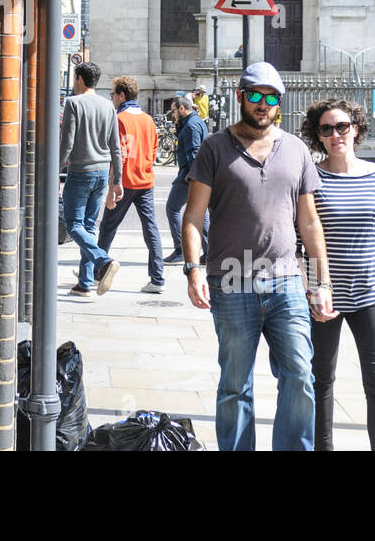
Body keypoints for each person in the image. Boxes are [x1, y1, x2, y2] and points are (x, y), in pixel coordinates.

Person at [181, 61, 336, 451]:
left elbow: (310, 224)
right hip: (230, 282)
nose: (262, 104)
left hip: (285, 281)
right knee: (235, 385)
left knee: (300, 375)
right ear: (240, 97)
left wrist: (320, 283)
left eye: (270, 97)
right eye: (255, 95)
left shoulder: (296, 150)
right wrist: (193, 268)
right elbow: (194, 215)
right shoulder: (215, 147)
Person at [300, 98, 375, 451]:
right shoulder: (312, 177)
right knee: (320, 381)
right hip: (327, 293)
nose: (335, 134)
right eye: (326, 129)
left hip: (371, 291)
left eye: (342, 126)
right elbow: (303, 241)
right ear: (319, 136)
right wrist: (313, 289)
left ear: (355, 128)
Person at [59, 62, 122, 297]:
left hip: (80, 171)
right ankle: (84, 283)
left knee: (74, 225)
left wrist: (56, 171)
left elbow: (67, 142)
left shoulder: (73, 103)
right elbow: (116, 146)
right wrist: (118, 180)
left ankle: (104, 261)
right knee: (88, 227)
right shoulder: (108, 106)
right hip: (102, 172)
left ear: (78, 79)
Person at [97, 77, 164, 292]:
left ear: (122, 95)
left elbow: (119, 155)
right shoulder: (148, 120)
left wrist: (112, 187)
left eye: (113, 94)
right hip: (145, 180)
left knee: (107, 227)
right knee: (151, 229)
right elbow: (154, 151)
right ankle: (157, 279)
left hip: (125, 181)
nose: (112, 99)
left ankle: (96, 272)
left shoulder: (119, 119)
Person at [163, 93, 208, 265]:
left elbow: (194, 153)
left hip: (189, 175)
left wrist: (192, 179)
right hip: (197, 175)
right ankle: (209, 251)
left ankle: (181, 250)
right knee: (201, 214)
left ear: (182, 108)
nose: (173, 115)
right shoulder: (195, 122)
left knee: (172, 208)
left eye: (174, 111)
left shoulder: (190, 127)